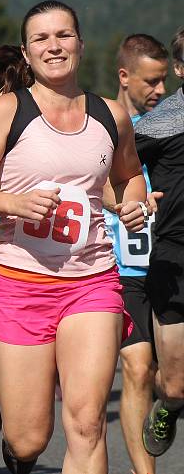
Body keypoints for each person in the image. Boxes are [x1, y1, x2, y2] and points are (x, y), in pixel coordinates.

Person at [0, 0, 148, 474]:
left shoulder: (109, 115)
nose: (53, 46)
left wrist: (132, 204)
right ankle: (16, 454)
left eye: (63, 35)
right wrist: (14, 204)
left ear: (80, 43)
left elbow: (128, 176)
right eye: (41, 38)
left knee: (86, 423)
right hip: (20, 283)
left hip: (92, 281)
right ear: (26, 50)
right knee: (28, 436)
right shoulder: (8, 112)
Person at [104, 34, 167, 474]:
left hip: (165, 264)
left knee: (171, 378)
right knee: (137, 367)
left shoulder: (170, 126)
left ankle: (171, 404)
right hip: (119, 268)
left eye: (164, 81)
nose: (160, 91)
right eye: (151, 81)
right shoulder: (101, 126)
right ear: (125, 77)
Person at [134, 27, 184, 458]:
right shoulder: (162, 123)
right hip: (174, 258)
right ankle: (167, 405)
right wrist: (133, 196)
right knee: (175, 382)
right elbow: (113, 165)